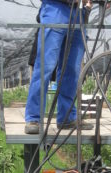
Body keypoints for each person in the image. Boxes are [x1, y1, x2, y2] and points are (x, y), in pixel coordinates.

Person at [24, 0, 94, 134]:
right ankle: (34, 118)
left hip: (79, 13)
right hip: (55, 8)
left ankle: (67, 117)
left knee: (72, 69)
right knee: (45, 66)